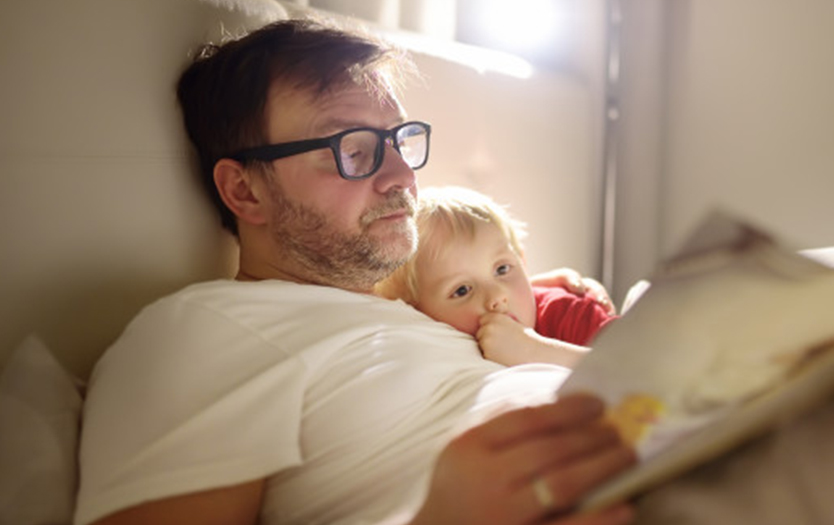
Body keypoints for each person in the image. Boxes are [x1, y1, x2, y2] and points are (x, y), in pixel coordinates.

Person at [73, 18, 636, 525]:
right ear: (245, 190)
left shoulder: (428, 307)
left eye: (399, 141)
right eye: (351, 149)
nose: (402, 177)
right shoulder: (201, 332)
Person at [376, 186, 618, 368]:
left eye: (502, 269)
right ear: (417, 313)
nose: (497, 296)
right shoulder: (429, 352)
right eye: (462, 290)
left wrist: (534, 351)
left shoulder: (570, 312)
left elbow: (636, 370)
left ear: (521, 261)